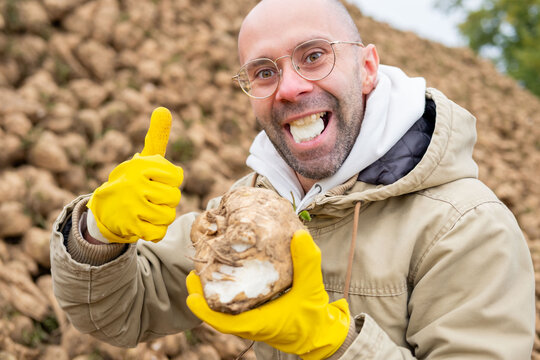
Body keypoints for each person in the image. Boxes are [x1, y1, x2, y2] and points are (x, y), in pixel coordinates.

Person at [50, 0, 536, 358]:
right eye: (264, 72)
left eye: (313, 56)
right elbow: (117, 313)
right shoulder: (253, 202)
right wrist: (98, 233)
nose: (290, 88)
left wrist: (333, 343)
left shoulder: (467, 227)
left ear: (367, 68)